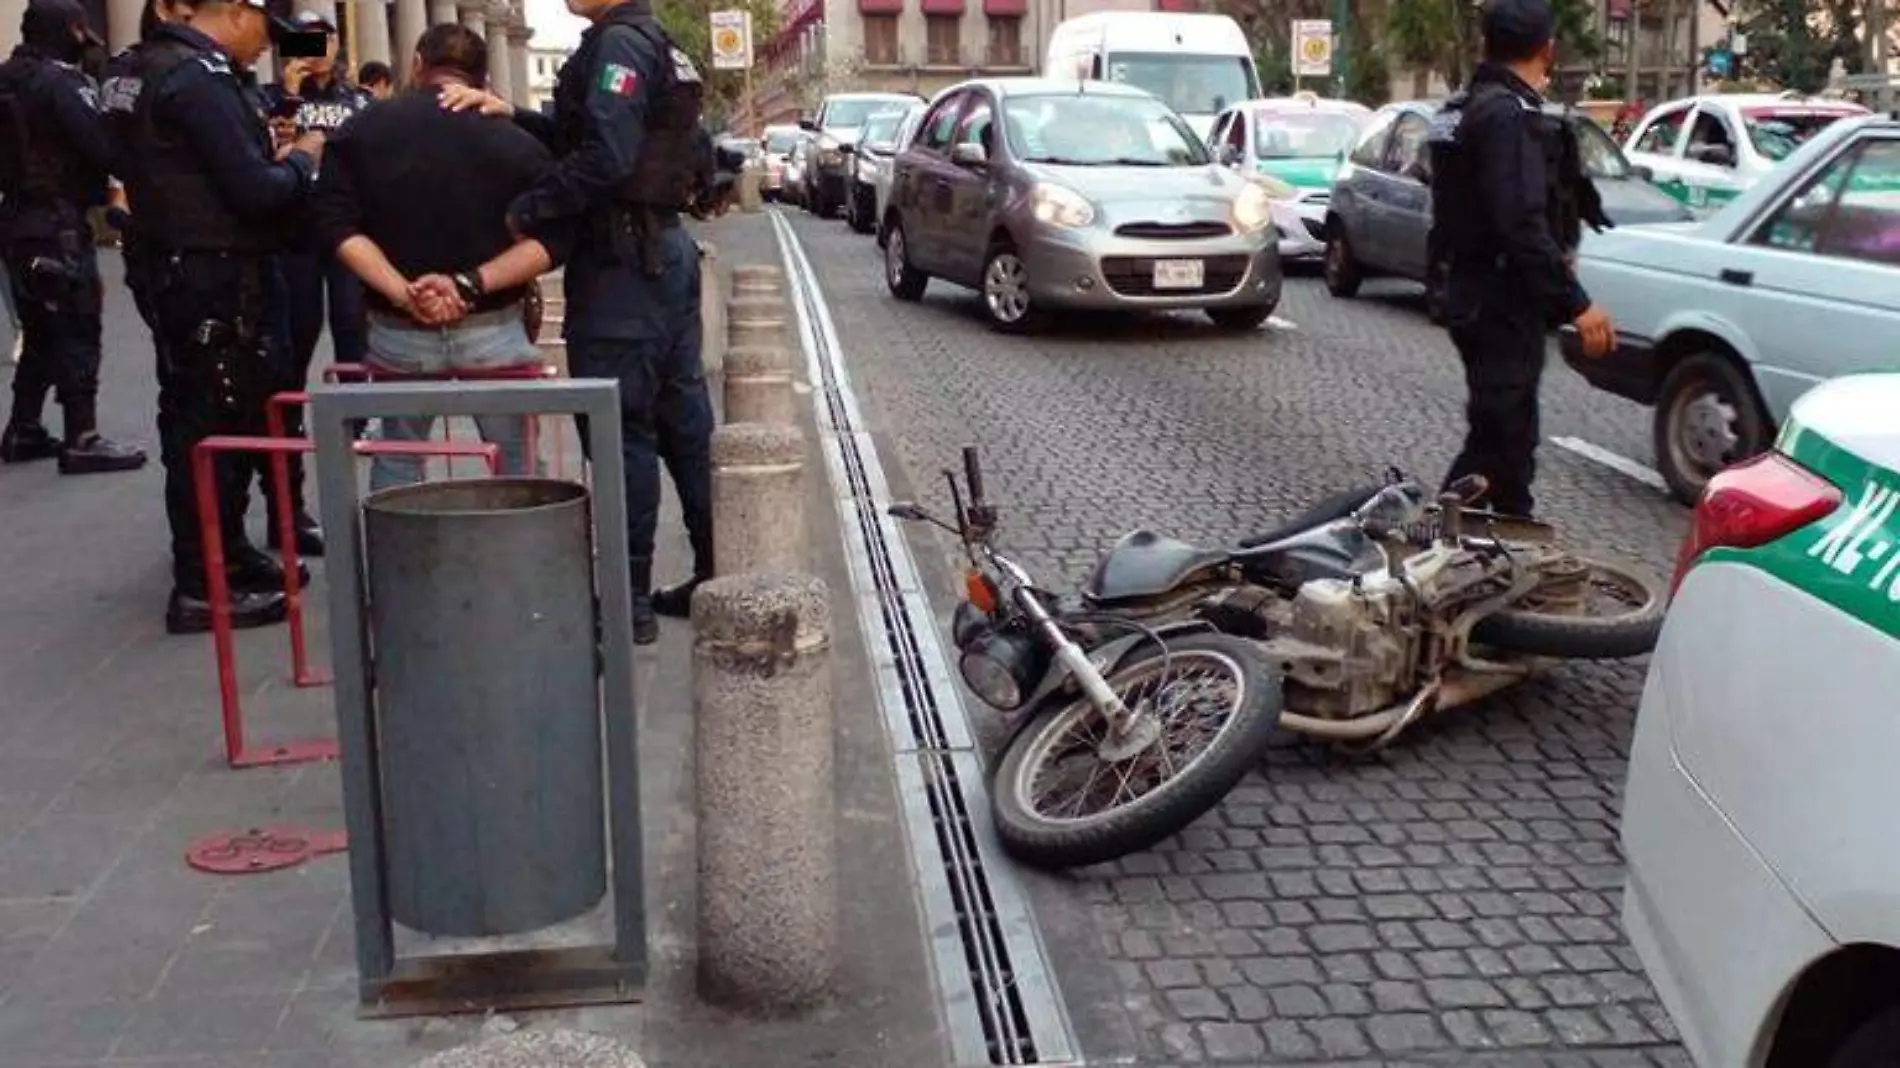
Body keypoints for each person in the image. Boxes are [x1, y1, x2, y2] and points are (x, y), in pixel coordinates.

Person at [440, 0, 723, 644]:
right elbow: (636, 142)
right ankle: (715, 574)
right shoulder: (653, 41)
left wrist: (530, 209)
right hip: (662, 253)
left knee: (621, 430)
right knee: (683, 422)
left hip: (623, 263)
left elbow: (608, 155)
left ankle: (628, 604)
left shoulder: (618, 46)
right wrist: (514, 113)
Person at [117, 0, 326, 633]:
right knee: (209, 423)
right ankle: (202, 582)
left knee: (211, 413)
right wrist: (303, 158)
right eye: (267, 30)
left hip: (176, 264)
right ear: (237, 12)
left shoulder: (139, 69)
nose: (269, 48)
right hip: (212, 274)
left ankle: (225, 554)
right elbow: (256, 191)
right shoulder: (197, 79)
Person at [312, 23, 567, 491]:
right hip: (494, 329)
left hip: (397, 329)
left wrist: (404, 292)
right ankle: (525, 557)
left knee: (399, 458)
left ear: (415, 65)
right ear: (482, 79)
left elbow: (336, 226)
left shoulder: (361, 131)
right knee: (517, 461)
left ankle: (395, 559)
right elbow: (551, 242)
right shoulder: (517, 144)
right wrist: (469, 282)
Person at [1424, 0, 1615, 520]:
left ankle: (1506, 539)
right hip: (1499, 301)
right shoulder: (1508, 116)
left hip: (1467, 290)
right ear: (1546, 49)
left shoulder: (1457, 110)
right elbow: (1519, 222)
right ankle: (1432, 540)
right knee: (1502, 434)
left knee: (1506, 432)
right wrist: (1576, 303)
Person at [0, 0, 147, 472]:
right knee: (79, 323)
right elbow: (102, 147)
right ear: (72, 31)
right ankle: (81, 434)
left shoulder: (6, 78)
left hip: (16, 220)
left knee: (39, 327)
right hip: (58, 221)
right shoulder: (62, 83)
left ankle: (23, 426)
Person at [260, 8, 370, 556]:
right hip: (294, 235)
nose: (315, 49)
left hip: (344, 233)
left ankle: (355, 422)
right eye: (304, 41)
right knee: (293, 343)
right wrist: (286, 97)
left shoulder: (357, 101)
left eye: (323, 39)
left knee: (353, 329)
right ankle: (291, 436)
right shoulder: (269, 98)